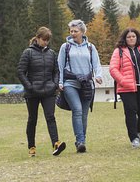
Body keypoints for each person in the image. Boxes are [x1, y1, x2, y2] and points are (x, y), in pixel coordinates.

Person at [17, 27, 66, 158]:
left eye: (48, 40)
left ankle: (56, 143)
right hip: (32, 92)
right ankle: (31, 146)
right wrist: (29, 86)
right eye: (44, 40)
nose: (46, 42)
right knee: (32, 119)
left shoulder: (52, 54)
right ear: (37, 38)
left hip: (49, 91)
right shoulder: (28, 53)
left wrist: (55, 84)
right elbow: (20, 72)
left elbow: (56, 71)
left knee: (51, 117)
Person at [109, 27, 140, 148]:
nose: (131, 39)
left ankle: (137, 131)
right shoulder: (119, 51)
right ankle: (134, 139)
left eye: (133, 36)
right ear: (124, 39)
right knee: (131, 111)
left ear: (137, 38)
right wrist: (123, 80)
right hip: (127, 88)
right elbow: (113, 68)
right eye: (128, 37)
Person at [58, 19, 102, 153]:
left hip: (87, 84)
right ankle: (80, 142)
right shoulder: (65, 47)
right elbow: (59, 66)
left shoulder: (90, 47)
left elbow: (96, 63)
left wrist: (98, 75)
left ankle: (82, 140)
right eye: (71, 31)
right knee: (77, 110)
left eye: (75, 31)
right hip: (70, 83)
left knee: (84, 115)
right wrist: (60, 82)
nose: (73, 33)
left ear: (82, 32)